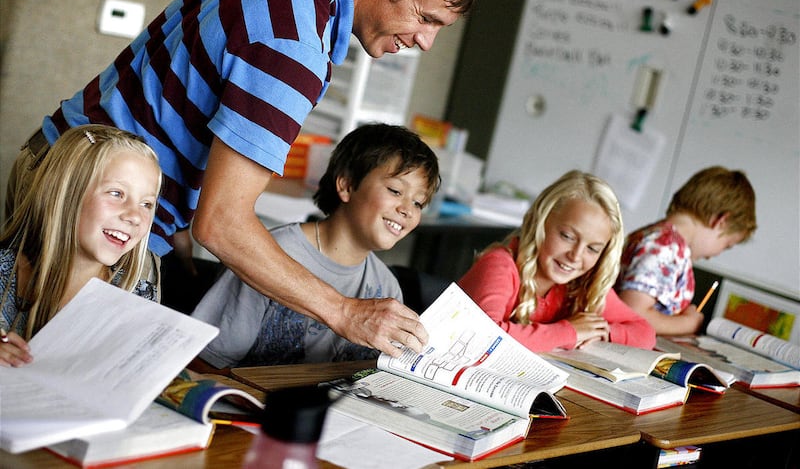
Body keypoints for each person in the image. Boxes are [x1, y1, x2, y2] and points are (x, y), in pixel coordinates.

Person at [4, 0, 481, 358]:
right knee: (49, 382)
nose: (426, 41)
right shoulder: (294, 45)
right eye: (424, 17)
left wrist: (177, 234)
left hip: (58, 159)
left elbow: (184, 106)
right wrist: (345, 312)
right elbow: (223, 223)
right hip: (85, 201)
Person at [190, 123, 439, 368]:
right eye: (395, 191)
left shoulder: (386, 288)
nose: (407, 210)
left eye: (418, 203)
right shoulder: (268, 255)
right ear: (347, 185)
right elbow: (206, 361)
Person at [0, 125, 162, 367]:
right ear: (64, 195)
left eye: (146, 204)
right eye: (116, 193)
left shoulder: (136, 298)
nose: (134, 216)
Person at [458, 170, 656, 353]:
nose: (576, 256)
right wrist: (571, 332)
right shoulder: (500, 265)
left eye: (592, 249)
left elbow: (645, 334)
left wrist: (601, 331)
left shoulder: (583, 285)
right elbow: (484, 338)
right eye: (567, 237)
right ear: (540, 222)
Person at [616, 166, 756, 336]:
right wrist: (686, 324)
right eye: (727, 245)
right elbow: (633, 313)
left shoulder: (653, 236)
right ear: (721, 222)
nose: (716, 255)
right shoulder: (665, 247)